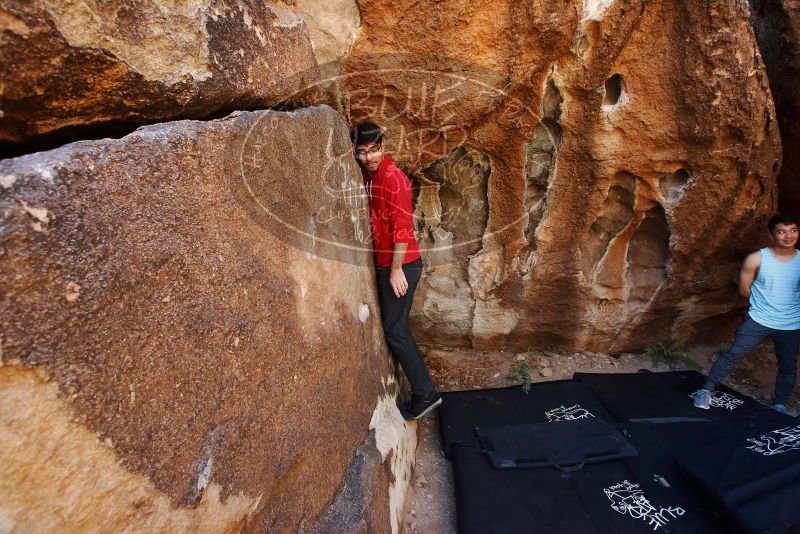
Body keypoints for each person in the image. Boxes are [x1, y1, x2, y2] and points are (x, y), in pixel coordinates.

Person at [351, 122, 442, 420]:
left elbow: (402, 230)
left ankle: (425, 394)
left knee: (396, 330)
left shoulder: (395, 179)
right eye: (362, 152)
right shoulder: (369, 176)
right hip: (387, 263)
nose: (369, 157)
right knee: (396, 327)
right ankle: (423, 392)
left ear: (383, 147)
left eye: (374, 150)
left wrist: (395, 269)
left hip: (401, 265)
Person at [693, 214, 800, 414]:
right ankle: (706, 390)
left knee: (788, 365)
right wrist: (763, 305)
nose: (788, 236)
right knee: (733, 354)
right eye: (782, 232)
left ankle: (779, 404)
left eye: (793, 230)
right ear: (772, 234)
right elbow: (744, 289)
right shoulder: (757, 258)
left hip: (791, 323)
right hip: (759, 319)